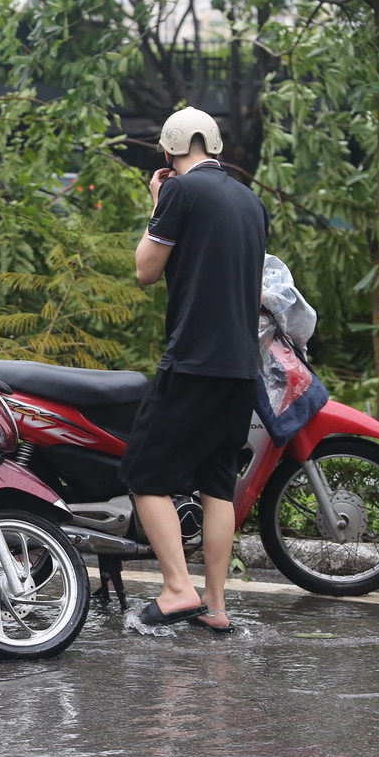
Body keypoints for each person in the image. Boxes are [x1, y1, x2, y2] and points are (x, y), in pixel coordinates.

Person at [119, 106, 267, 636]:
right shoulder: (251, 201)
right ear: (216, 147)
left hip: (194, 363)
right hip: (240, 367)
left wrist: (157, 206)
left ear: (168, 152)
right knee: (216, 485)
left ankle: (178, 588)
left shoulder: (179, 192)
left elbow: (145, 270)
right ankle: (216, 604)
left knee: (142, 472)